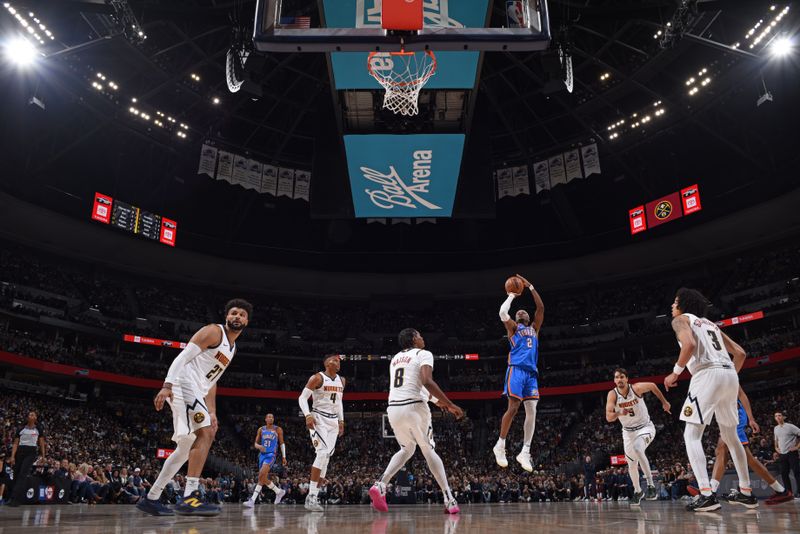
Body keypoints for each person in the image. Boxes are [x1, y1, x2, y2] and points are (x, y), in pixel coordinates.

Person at [137, 298, 252, 517]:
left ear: (247, 321)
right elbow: (183, 356)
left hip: (197, 389)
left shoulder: (232, 348)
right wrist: (167, 385)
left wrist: (212, 411)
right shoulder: (213, 332)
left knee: (185, 449)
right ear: (226, 316)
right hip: (183, 384)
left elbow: (212, 381)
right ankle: (190, 496)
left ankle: (151, 498)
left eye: (242, 314)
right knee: (205, 433)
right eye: (233, 313)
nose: (237, 316)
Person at [664, 288, 756, 512]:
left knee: (691, 434)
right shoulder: (710, 324)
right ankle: (746, 492)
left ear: (683, 304)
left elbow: (690, 345)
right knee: (731, 437)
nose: (672, 306)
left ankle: (706, 495)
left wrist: (675, 372)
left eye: (675, 302)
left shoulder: (680, 321)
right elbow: (741, 353)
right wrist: (728, 376)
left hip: (706, 375)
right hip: (729, 374)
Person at [368, 328, 464, 515]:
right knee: (428, 450)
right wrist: (450, 403)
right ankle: (449, 499)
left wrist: (440, 403)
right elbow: (426, 381)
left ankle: (381, 484)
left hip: (394, 409)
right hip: (414, 408)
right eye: (419, 335)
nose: (422, 338)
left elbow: (416, 387)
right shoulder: (423, 353)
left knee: (407, 449)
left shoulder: (395, 359)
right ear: (413, 339)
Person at [493, 274, 544, 472]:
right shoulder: (513, 329)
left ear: (528, 317)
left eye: (524, 311)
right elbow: (502, 312)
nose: (521, 312)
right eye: (518, 312)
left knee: (532, 411)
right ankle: (500, 445)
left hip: (531, 374)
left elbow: (540, 308)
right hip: (516, 370)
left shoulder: (534, 328)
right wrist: (512, 296)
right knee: (514, 407)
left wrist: (530, 286)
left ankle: (525, 451)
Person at [709, 388, 793, 505]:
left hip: (735, 415)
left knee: (726, 450)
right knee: (726, 452)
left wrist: (751, 419)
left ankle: (711, 492)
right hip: (728, 414)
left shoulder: (724, 372)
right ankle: (781, 490)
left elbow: (741, 394)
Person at [605, 368, 671, 505]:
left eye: (622, 377)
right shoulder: (612, 395)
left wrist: (664, 402)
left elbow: (653, 386)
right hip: (628, 432)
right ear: (614, 380)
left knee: (638, 448)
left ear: (627, 379)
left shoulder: (636, 389)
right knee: (631, 464)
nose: (619, 380)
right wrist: (619, 413)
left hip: (645, 427)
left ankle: (651, 485)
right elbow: (609, 417)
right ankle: (637, 491)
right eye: (617, 377)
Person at [298, 354, 346, 512]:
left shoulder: (342, 380)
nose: (337, 362)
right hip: (318, 418)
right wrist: (308, 415)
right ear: (326, 363)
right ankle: (311, 496)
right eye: (334, 360)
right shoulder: (317, 378)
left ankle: (314, 496)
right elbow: (302, 398)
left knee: (326, 458)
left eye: (338, 361)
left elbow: (339, 402)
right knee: (322, 453)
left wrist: (341, 421)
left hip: (333, 421)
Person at [244, 413, 287, 507]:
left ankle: (252, 500)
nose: (271, 418)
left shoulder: (278, 429)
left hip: (271, 455)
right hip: (262, 455)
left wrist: (284, 456)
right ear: (265, 419)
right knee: (262, 478)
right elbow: (255, 443)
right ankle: (278, 491)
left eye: (272, 417)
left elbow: (282, 443)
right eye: (269, 417)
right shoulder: (261, 429)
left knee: (261, 475)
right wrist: (259, 446)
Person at [6, 411, 46, 507]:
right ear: (27, 417)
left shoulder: (39, 429)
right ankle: (13, 497)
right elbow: (15, 443)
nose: (32, 416)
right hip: (20, 451)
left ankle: (15, 499)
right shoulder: (21, 428)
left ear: (36, 418)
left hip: (31, 452)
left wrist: (43, 456)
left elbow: (41, 443)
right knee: (16, 474)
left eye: (33, 414)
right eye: (30, 414)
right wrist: (12, 456)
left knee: (23, 474)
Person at [773, 411, 800, 497]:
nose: (778, 417)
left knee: (797, 472)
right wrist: (776, 448)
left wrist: (797, 447)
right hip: (782, 454)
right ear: (775, 418)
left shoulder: (790, 426)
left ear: (783, 417)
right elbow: (776, 440)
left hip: (792, 452)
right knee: (784, 473)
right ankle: (789, 493)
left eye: (779, 415)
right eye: (776, 416)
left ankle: (799, 492)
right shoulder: (776, 428)